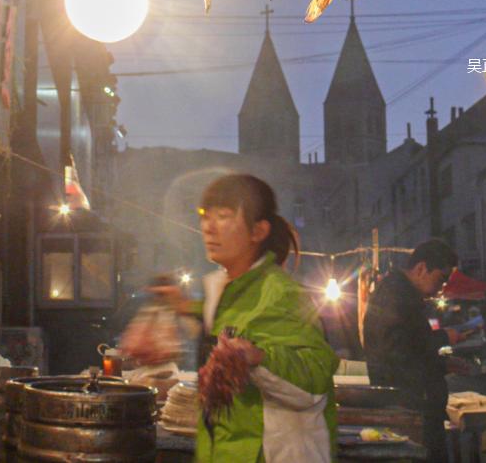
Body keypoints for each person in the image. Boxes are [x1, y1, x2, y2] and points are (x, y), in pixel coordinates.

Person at [155, 174, 339, 462]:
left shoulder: (281, 293)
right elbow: (228, 324)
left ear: (258, 231)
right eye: (205, 216)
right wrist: (182, 307)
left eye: (223, 216)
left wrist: (257, 358)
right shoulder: (223, 289)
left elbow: (314, 382)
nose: (208, 227)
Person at [362, 239, 465, 462]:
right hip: (407, 408)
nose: (442, 287)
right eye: (441, 278)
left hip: (413, 406)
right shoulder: (396, 295)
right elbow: (397, 352)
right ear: (421, 268)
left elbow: (412, 351)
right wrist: (443, 337)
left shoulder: (402, 294)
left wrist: (443, 364)